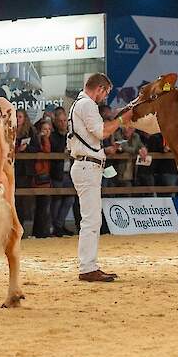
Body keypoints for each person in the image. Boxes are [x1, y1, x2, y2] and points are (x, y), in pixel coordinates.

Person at [67, 73, 130, 282]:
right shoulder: (87, 104)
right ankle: (87, 267)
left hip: (86, 166)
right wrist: (121, 120)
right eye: (106, 92)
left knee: (92, 219)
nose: (105, 97)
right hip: (87, 166)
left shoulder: (80, 104)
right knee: (91, 220)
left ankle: (89, 265)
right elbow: (101, 132)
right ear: (100, 88)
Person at [48, 107, 74, 236]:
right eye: (60, 121)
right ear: (56, 122)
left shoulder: (72, 135)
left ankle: (59, 224)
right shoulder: (53, 136)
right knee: (57, 200)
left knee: (70, 199)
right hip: (57, 172)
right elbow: (53, 151)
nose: (63, 123)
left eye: (65, 120)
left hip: (70, 172)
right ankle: (56, 226)